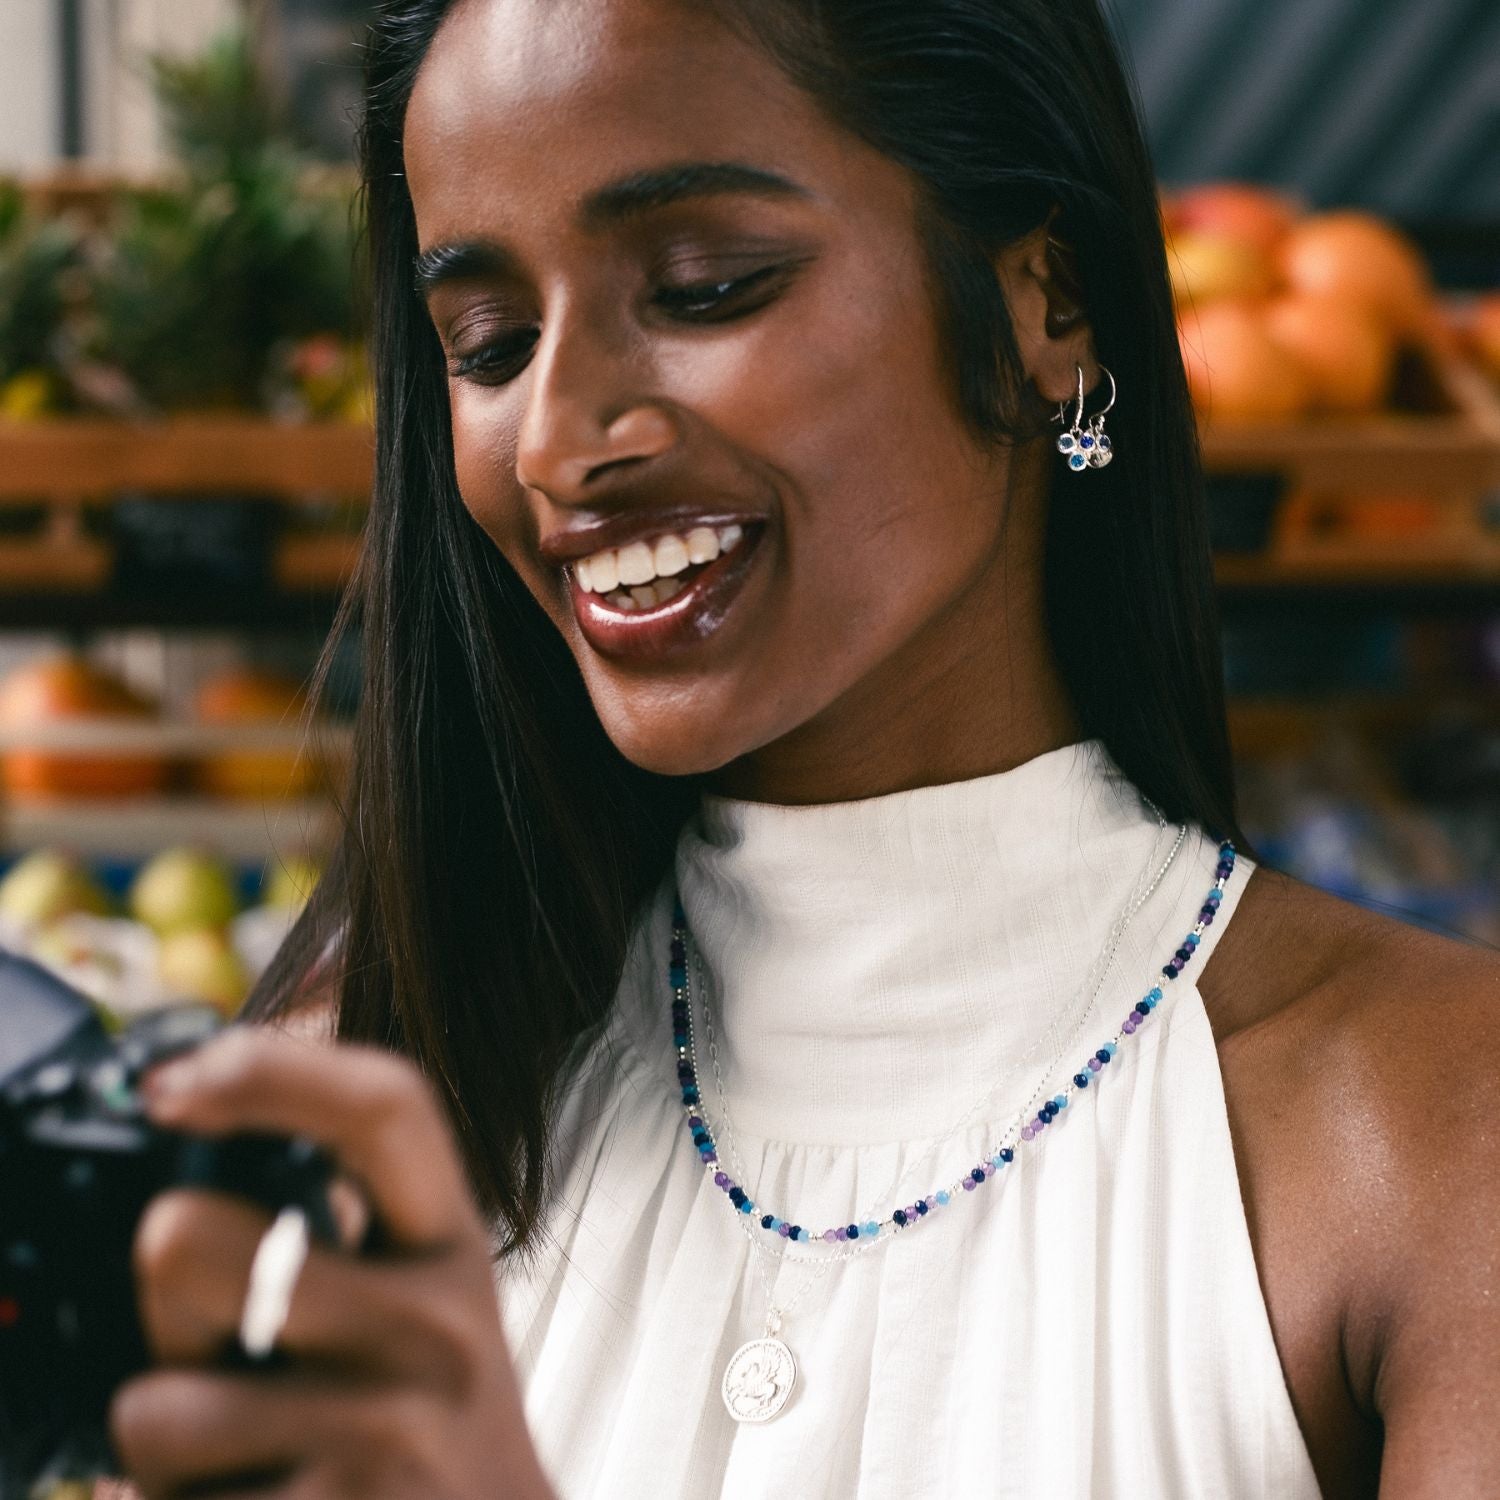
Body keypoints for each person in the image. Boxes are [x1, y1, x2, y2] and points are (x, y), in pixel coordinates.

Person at [105, 0, 1498, 1496]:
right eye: (491, 343)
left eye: (706, 287)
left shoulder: (1430, 1133)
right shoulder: (365, 1089)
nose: (563, 440)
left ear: (1047, 298)